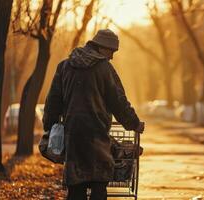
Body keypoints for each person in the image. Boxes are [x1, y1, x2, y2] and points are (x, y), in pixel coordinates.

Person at [42, 29, 145, 200]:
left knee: (75, 188)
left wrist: (50, 126)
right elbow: (118, 101)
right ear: (102, 47)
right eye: (111, 51)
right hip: (97, 137)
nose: (111, 56)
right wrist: (134, 123)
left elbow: (52, 101)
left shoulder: (64, 66)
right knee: (98, 185)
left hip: (73, 135)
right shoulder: (104, 69)